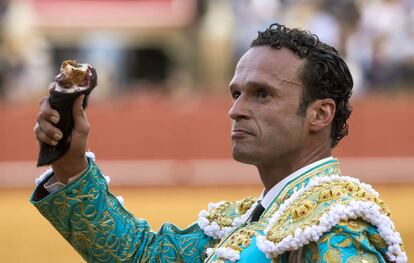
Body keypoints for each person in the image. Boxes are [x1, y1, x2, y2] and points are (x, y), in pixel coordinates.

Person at [31, 23, 407, 263]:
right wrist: (70, 161)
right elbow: (139, 255)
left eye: (261, 94)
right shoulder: (243, 221)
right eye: (236, 94)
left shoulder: (339, 226)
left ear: (320, 114)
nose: (236, 110)